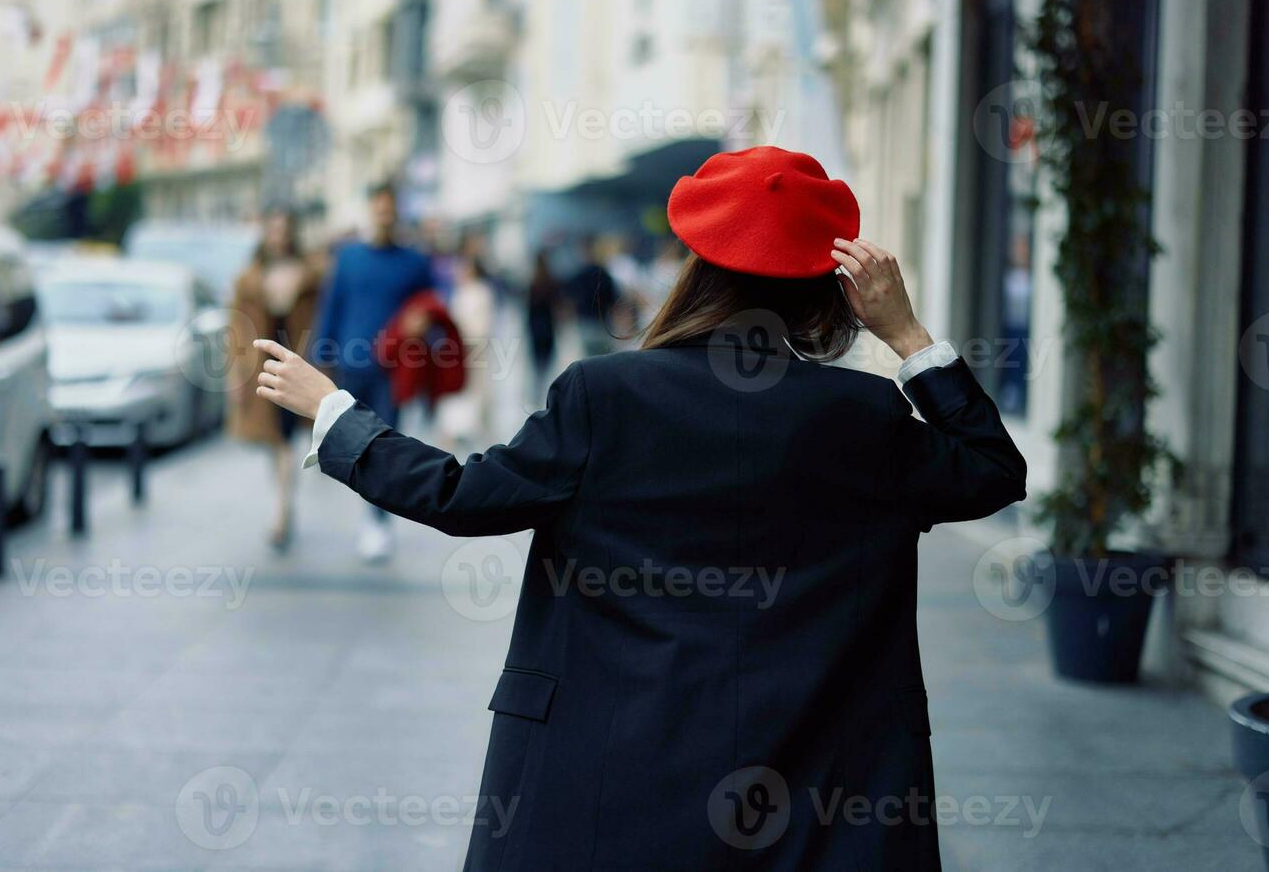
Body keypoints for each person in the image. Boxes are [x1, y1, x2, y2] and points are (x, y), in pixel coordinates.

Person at [256, 146, 1026, 870]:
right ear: (825, 291)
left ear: (696, 269)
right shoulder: (863, 415)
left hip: (609, 772)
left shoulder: (606, 395)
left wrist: (336, 417)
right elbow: (993, 470)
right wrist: (907, 335)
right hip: (812, 788)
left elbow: (462, 496)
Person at [310, 181, 434, 563]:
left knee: (384, 443)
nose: (384, 214)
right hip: (352, 364)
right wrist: (321, 353)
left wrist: (423, 324)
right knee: (354, 443)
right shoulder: (348, 258)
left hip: (394, 368)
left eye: (389, 208)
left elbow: (431, 307)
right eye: (378, 207)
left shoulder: (414, 261)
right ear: (370, 210)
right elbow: (333, 305)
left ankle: (376, 520)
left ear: (397, 212)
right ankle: (373, 514)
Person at [228, 207, 321, 551]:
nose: (279, 236)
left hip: (298, 361)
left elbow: (325, 318)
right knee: (276, 441)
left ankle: (282, 508)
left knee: (285, 438)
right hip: (263, 364)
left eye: (284, 229)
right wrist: (236, 376)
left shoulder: (311, 273)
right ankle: (283, 504)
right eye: (273, 229)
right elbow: (235, 328)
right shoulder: (249, 278)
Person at [437, 249, 497, 453]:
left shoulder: (481, 292)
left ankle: (477, 427)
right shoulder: (460, 292)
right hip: (458, 349)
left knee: (477, 389)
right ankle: (453, 430)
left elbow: (482, 324)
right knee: (457, 389)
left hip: (474, 348)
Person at [564, 237, 620, 357]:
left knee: (589, 361)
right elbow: (615, 300)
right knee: (605, 360)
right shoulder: (604, 274)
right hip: (604, 324)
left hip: (586, 324)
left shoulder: (578, 275)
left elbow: (568, 299)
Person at [524, 249, 559, 401]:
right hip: (548, 328)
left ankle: (536, 391)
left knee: (536, 363)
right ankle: (545, 389)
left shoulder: (532, 284)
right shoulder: (551, 282)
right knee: (547, 361)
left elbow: (529, 310)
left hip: (535, 329)